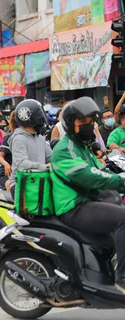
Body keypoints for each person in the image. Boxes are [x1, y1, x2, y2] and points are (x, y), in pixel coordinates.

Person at [51, 97, 125, 294]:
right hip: (74, 207)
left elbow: (101, 171)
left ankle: (103, 276)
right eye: (82, 121)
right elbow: (89, 176)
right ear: (70, 122)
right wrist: (121, 181)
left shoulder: (82, 146)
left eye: (91, 121)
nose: (88, 125)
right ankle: (123, 280)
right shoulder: (65, 149)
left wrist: (120, 181)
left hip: (87, 201)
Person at [7, 99, 52, 196]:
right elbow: (21, 163)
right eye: (38, 115)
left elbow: (51, 157)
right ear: (28, 118)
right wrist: (42, 166)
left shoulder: (39, 138)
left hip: (38, 181)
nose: (41, 118)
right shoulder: (19, 138)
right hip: (21, 184)